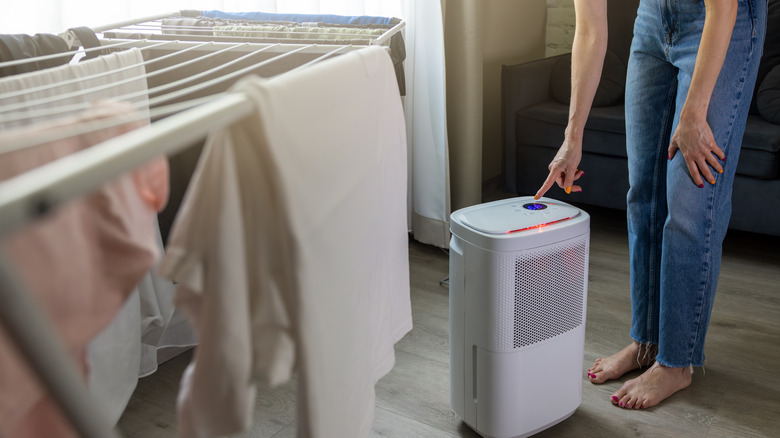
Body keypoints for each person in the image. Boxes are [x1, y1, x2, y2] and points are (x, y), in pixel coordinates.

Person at [534, 0, 766, 409]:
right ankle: (645, 342)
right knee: (642, 194)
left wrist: (694, 116)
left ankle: (676, 363)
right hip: (654, 19)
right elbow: (589, 29)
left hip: (719, 19)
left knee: (690, 201)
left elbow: (723, 7)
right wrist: (573, 137)